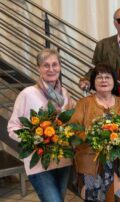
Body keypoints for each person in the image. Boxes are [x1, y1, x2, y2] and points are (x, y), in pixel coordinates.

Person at [69, 63, 120, 202]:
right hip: (91, 167)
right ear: (93, 82)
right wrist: (93, 136)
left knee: (118, 199)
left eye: (107, 77)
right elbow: (72, 129)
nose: (103, 80)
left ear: (114, 81)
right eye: (99, 77)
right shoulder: (83, 104)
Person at [7, 49, 74, 202]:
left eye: (54, 64)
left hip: (63, 160)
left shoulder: (64, 93)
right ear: (39, 68)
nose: (51, 69)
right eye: (46, 65)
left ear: (60, 67)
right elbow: (12, 127)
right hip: (39, 162)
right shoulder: (27, 94)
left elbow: (71, 122)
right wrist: (35, 139)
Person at [79, 7, 120, 91]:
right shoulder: (102, 45)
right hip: (109, 96)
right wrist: (86, 80)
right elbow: (95, 69)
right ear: (115, 23)